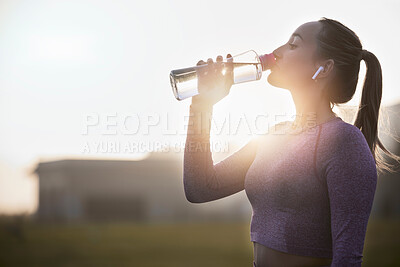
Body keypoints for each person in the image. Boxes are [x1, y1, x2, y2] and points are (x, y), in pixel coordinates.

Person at [183, 17, 400, 267]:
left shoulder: (344, 142)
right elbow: (200, 188)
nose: (276, 53)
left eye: (293, 45)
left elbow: (347, 259)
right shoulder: (274, 136)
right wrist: (202, 106)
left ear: (324, 68)